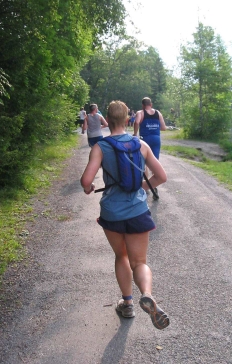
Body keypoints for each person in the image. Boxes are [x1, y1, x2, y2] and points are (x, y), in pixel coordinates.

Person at [80, 100, 170, 330]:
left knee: (122, 256)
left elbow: (86, 181)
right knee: (139, 261)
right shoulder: (140, 145)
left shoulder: (100, 147)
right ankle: (147, 294)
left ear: (107, 121)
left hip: (112, 211)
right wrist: (142, 186)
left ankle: (127, 304)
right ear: (128, 120)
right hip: (138, 210)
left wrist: (89, 188)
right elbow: (161, 177)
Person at [133, 97, 167, 197]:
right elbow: (163, 127)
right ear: (151, 104)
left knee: (144, 162)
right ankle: (154, 184)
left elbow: (136, 122)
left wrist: (135, 133)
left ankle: (146, 184)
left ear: (143, 105)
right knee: (154, 161)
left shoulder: (141, 112)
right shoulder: (158, 113)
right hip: (156, 139)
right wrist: (155, 127)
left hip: (145, 139)